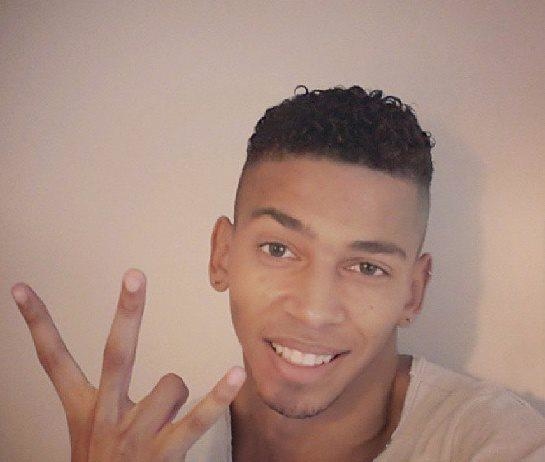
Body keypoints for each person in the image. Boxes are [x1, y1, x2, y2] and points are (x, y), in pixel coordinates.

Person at [11, 86, 545, 461]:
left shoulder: (492, 440)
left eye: (367, 266)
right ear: (222, 254)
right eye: (279, 249)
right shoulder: (152, 454)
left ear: (413, 291)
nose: (313, 310)